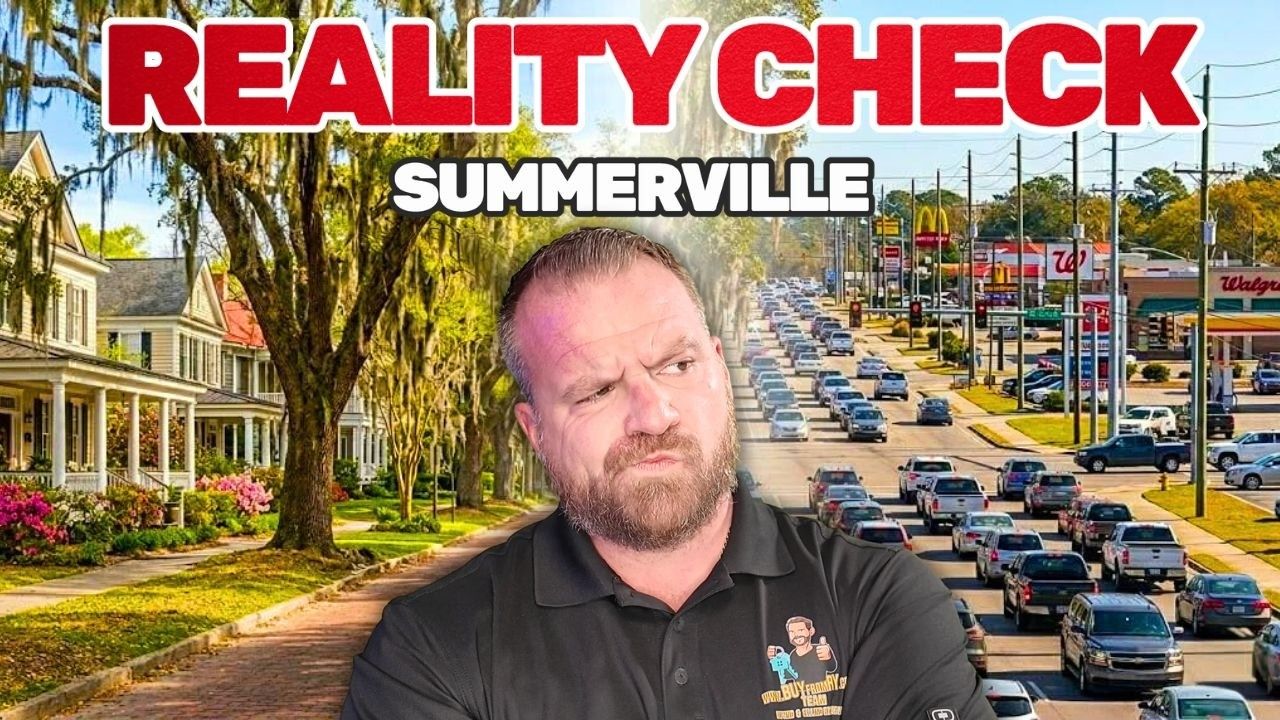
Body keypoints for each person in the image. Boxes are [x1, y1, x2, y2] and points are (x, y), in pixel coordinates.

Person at [341, 227, 995, 720]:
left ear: (718, 367)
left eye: (676, 365)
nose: (652, 414)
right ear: (535, 432)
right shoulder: (431, 649)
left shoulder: (877, 600)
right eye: (596, 389)